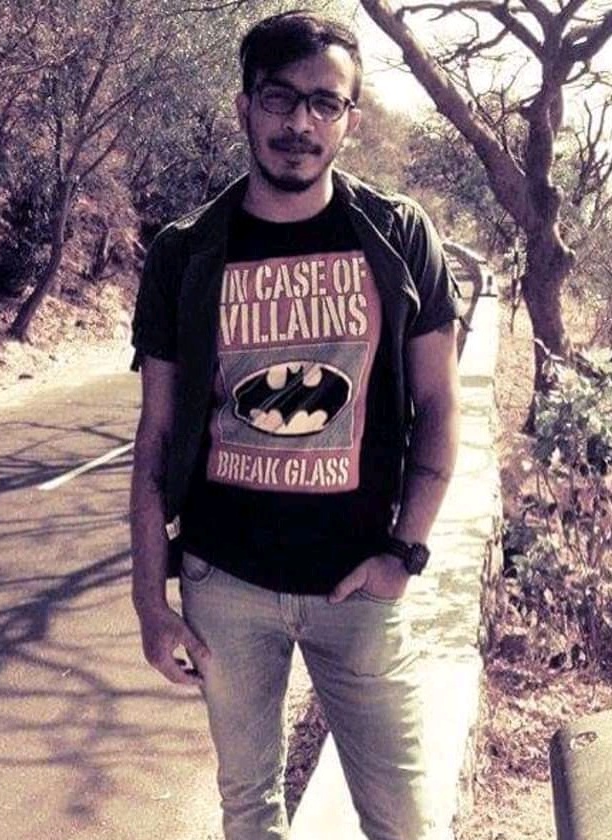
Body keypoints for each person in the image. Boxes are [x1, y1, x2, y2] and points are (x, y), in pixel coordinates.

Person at [129, 11, 461, 840]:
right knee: (249, 810)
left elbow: (439, 406)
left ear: (350, 118)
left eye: (325, 102)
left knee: (407, 823)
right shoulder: (185, 252)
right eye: (279, 97)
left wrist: (404, 552)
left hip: (359, 587)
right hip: (224, 585)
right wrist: (148, 597)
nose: (300, 123)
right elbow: (157, 437)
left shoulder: (396, 236)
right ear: (244, 106)